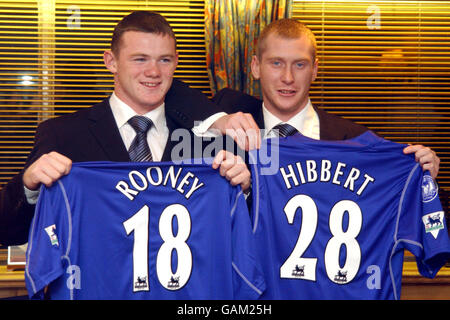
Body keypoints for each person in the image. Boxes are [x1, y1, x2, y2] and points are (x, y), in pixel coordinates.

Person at [0, 11, 250, 246]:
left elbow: (243, 239)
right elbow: (8, 231)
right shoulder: (62, 135)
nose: (153, 72)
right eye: (139, 59)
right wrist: (28, 187)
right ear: (111, 62)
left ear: (175, 63)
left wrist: (244, 193)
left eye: (164, 60)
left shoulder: (208, 143)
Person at [212, 18, 440, 178]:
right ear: (255, 67)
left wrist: (420, 170)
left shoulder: (355, 141)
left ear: (314, 70)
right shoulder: (224, 125)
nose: (288, 77)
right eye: (276, 63)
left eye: (299, 65)